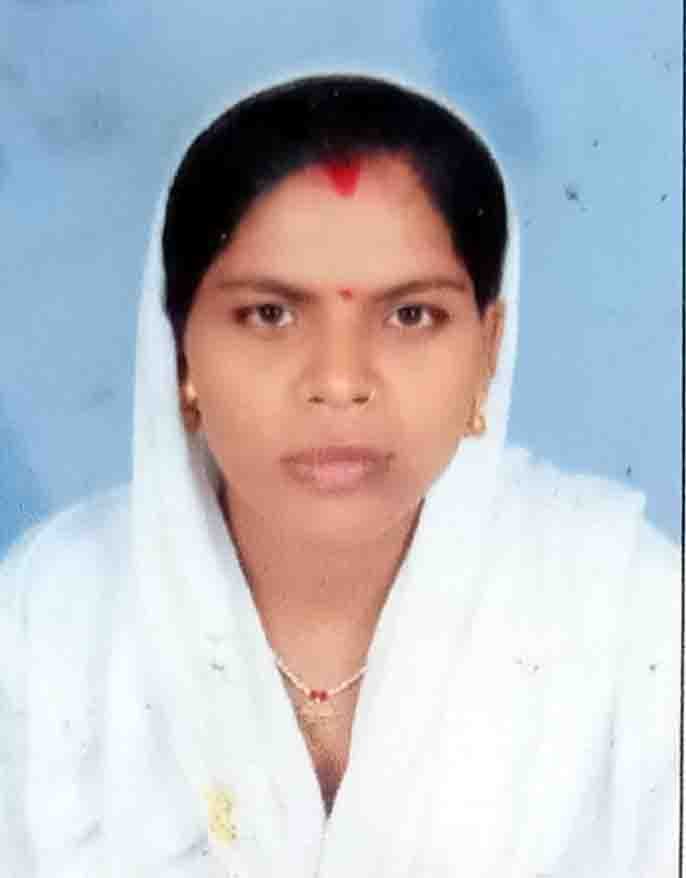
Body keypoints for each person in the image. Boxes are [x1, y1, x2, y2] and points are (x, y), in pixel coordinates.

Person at [0, 73, 679, 877]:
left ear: (488, 350)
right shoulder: (54, 616)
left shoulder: (630, 609)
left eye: (410, 315)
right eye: (271, 315)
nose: (339, 381)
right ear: (178, 352)